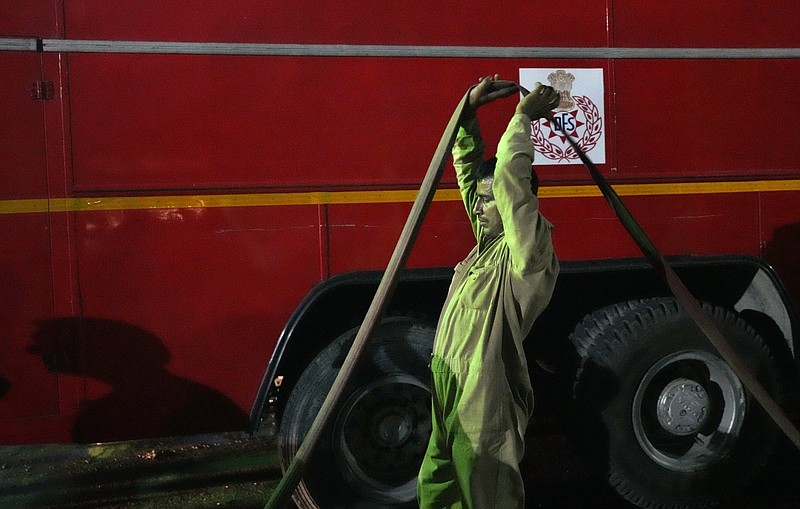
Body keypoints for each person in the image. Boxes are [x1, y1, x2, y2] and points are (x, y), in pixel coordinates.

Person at [416, 76, 561, 508]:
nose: (478, 207)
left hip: (484, 397)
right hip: (448, 387)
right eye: (477, 201)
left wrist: (521, 119)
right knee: (438, 488)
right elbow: (469, 172)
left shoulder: (528, 256)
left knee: (487, 494)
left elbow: (510, 185)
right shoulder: (485, 249)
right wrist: (467, 114)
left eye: (487, 200)